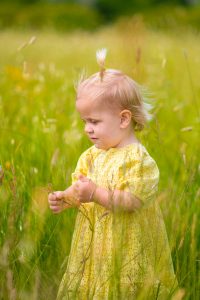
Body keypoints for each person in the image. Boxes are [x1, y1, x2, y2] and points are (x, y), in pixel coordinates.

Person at [48, 49, 178, 299]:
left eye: (94, 121)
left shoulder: (138, 160)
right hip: (94, 246)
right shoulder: (91, 155)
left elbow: (133, 201)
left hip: (127, 246)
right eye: (84, 121)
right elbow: (80, 189)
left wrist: (96, 193)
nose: (87, 129)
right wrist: (65, 197)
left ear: (123, 119)